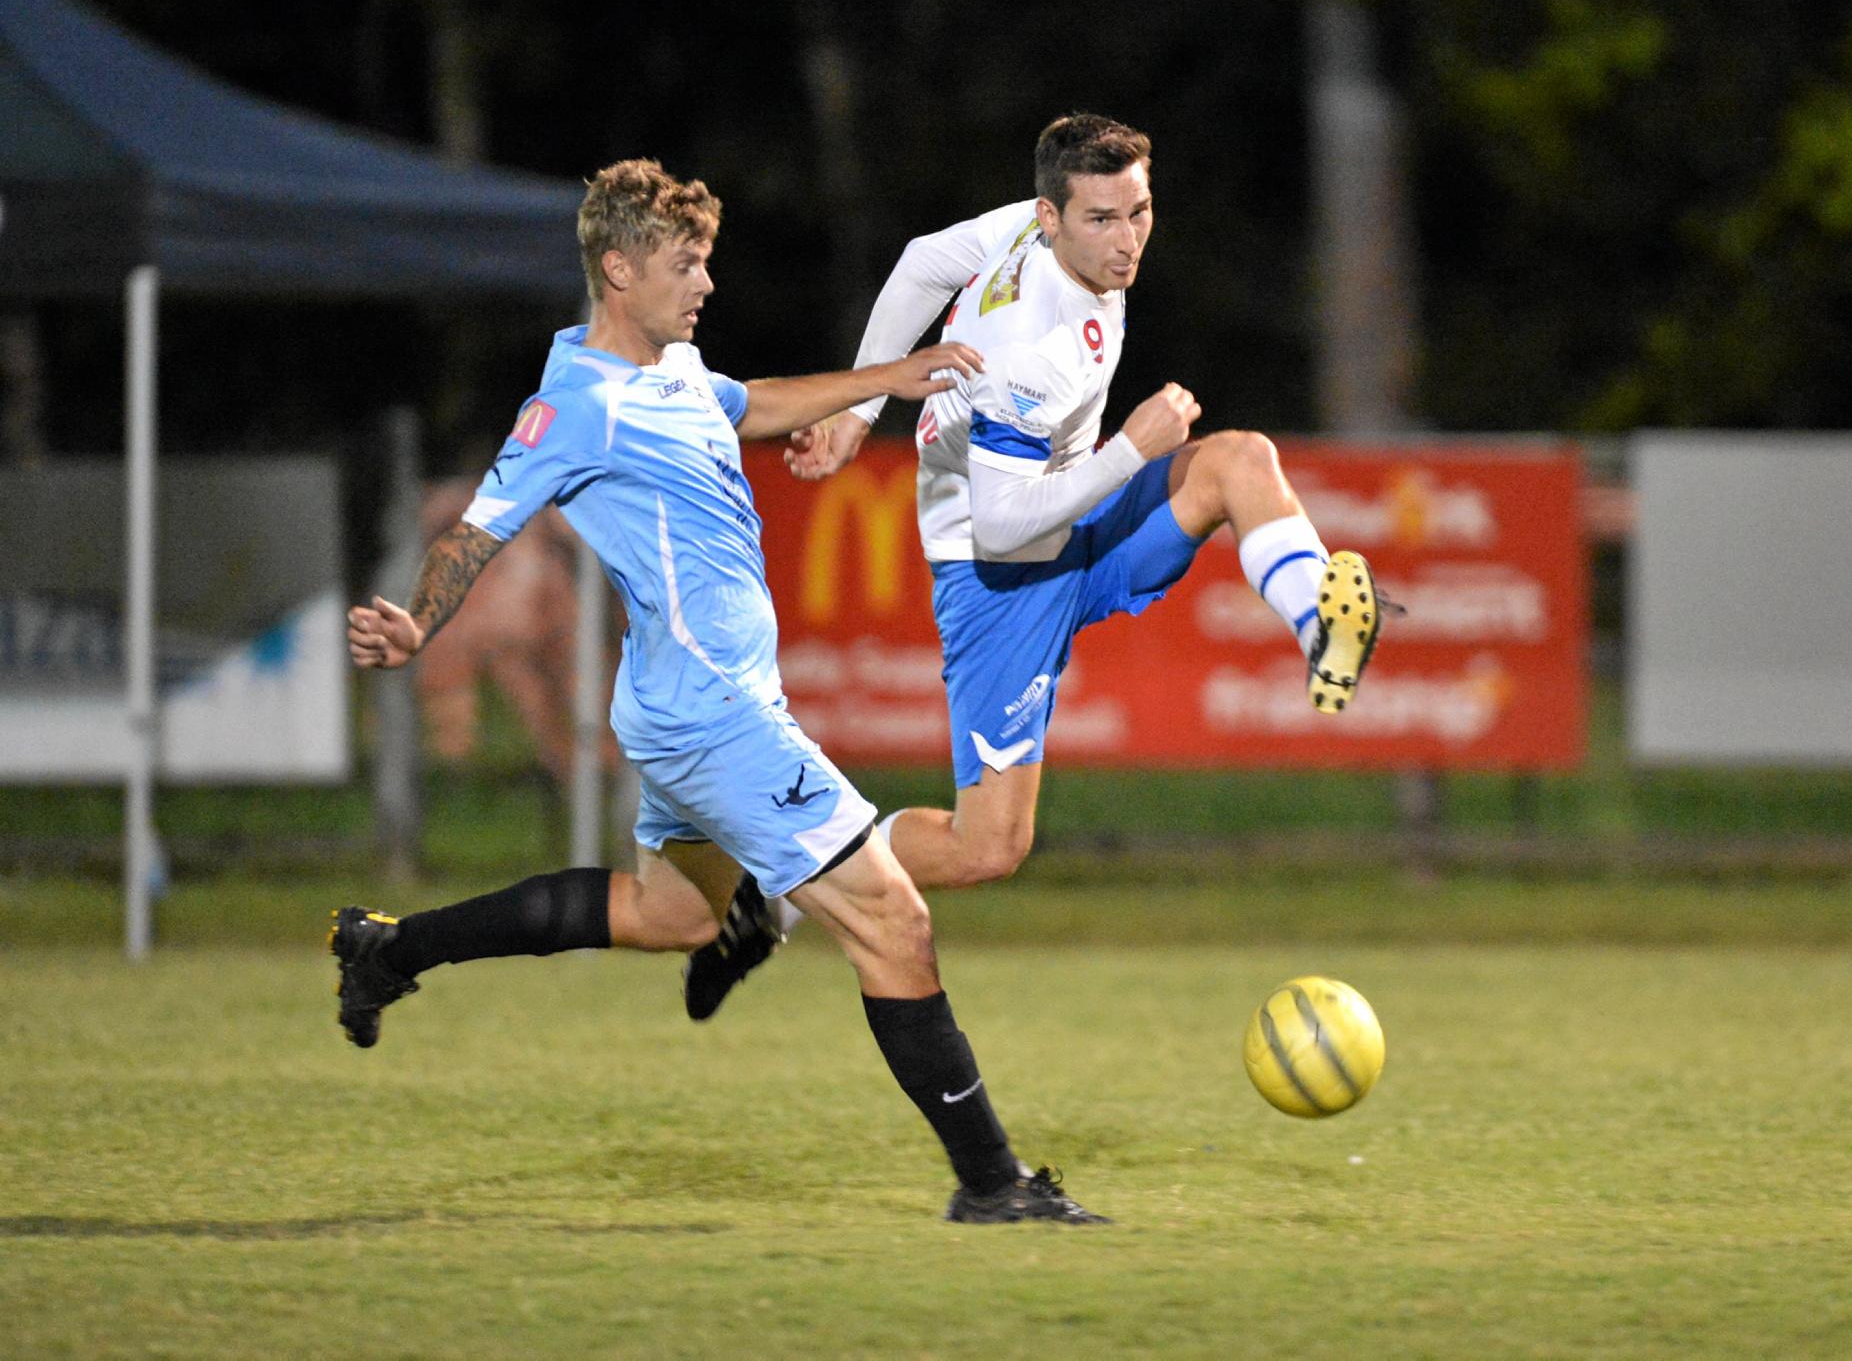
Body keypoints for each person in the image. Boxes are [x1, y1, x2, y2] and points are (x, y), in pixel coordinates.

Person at [333, 158, 1104, 1225]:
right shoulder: (575, 402)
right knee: (891, 917)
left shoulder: (678, 369)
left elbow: (753, 402)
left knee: (672, 913)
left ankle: (390, 948)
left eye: (706, 263)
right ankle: (992, 1183)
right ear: (617, 268)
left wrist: (881, 378)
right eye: (684, 265)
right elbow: (478, 525)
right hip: (712, 714)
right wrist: (419, 619)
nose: (704, 284)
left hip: (688, 700)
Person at [778, 113, 1388, 895]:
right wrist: (1132, 448)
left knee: (1241, 460)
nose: (1127, 241)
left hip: (1076, 517)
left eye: (1139, 212)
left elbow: (921, 262)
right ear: (1051, 218)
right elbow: (1002, 528)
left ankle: (1321, 626)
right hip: (997, 575)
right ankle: (800, 883)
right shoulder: (1029, 351)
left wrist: (859, 411)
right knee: (987, 847)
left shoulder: (1027, 232)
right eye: (1102, 220)